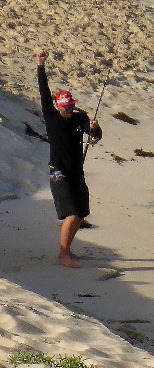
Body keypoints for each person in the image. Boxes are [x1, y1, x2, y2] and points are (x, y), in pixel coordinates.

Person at [36, 51, 102, 268]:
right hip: (59, 172)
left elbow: (95, 136)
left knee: (81, 213)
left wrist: (94, 129)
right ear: (58, 106)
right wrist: (41, 66)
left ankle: (68, 250)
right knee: (72, 214)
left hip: (76, 172)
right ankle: (63, 254)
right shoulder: (51, 117)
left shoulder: (80, 117)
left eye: (72, 105)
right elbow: (44, 92)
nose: (70, 109)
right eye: (67, 107)